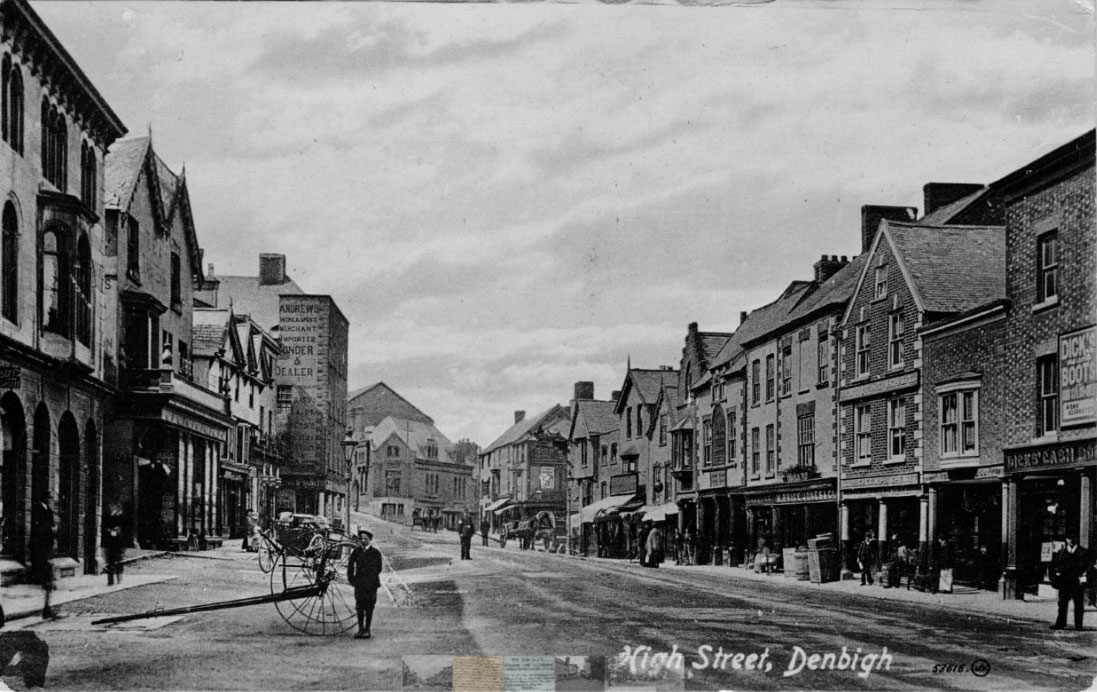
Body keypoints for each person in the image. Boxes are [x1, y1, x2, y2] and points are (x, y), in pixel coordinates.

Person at [1050, 535, 1092, 631]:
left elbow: (1088, 566)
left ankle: (1078, 625)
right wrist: (1057, 573)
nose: (1071, 541)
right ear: (1066, 539)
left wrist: (1084, 574)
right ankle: (1060, 623)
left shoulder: (1083, 552)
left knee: (1078, 604)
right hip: (1065, 581)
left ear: (1077, 539)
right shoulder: (1061, 552)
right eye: (1069, 538)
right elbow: (1056, 565)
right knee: (1062, 603)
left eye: (1073, 538)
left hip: (1077, 581)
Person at [347, 529, 384, 639]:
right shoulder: (356, 551)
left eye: (365, 539)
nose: (363, 541)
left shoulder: (375, 553)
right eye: (361, 539)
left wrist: (370, 579)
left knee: (369, 607)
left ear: (370, 540)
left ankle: (367, 630)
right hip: (359, 584)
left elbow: (379, 568)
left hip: (371, 585)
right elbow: (350, 566)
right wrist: (351, 579)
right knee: (359, 606)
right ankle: (360, 630)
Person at [30, 493, 57, 619]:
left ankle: (47, 608)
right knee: (48, 579)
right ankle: (46, 609)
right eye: (50, 498)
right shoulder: (38, 510)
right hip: (40, 548)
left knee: (48, 580)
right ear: (45, 499)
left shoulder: (48, 510)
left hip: (46, 548)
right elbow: (38, 529)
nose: (51, 501)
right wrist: (51, 530)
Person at [103, 501, 129, 586]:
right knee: (110, 562)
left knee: (119, 561)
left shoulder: (124, 517)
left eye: (114, 506)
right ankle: (110, 581)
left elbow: (127, 529)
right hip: (110, 542)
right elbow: (104, 527)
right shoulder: (108, 516)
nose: (112, 508)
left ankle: (119, 580)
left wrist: (119, 530)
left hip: (120, 543)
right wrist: (109, 530)